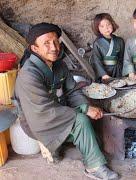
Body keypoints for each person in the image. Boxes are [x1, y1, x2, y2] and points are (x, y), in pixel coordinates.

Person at [14, 22, 118, 180]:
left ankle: (75, 144)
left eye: (56, 41)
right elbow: (44, 111)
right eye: (46, 43)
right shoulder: (29, 74)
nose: (54, 47)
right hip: (38, 120)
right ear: (35, 49)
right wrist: (83, 110)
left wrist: (86, 105)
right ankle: (94, 166)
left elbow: (73, 90)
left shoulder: (59, 65)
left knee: (90, 113)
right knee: (81, 120)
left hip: (59, 111)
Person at [91, 13, 125, 81]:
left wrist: (124, 71)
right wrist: (103, 74)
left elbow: (123, 58)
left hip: (119, 71)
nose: (106, 28)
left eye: (108, 24)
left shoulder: (120, 41)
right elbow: (96, 61)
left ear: (112, 24)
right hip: (105, 72)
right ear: (97, 28)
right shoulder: (97, 43)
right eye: (102, 26)